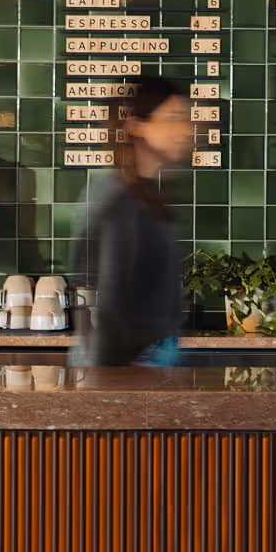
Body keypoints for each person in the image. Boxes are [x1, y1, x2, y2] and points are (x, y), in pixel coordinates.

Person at [69, 76, 192, 367]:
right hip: (134, 362)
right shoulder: (120, 199)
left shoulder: (144, 193)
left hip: (150, 354)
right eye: (173, 117)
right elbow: (108, 305)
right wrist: (111, 387)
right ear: (136, 124)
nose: (186, 129)